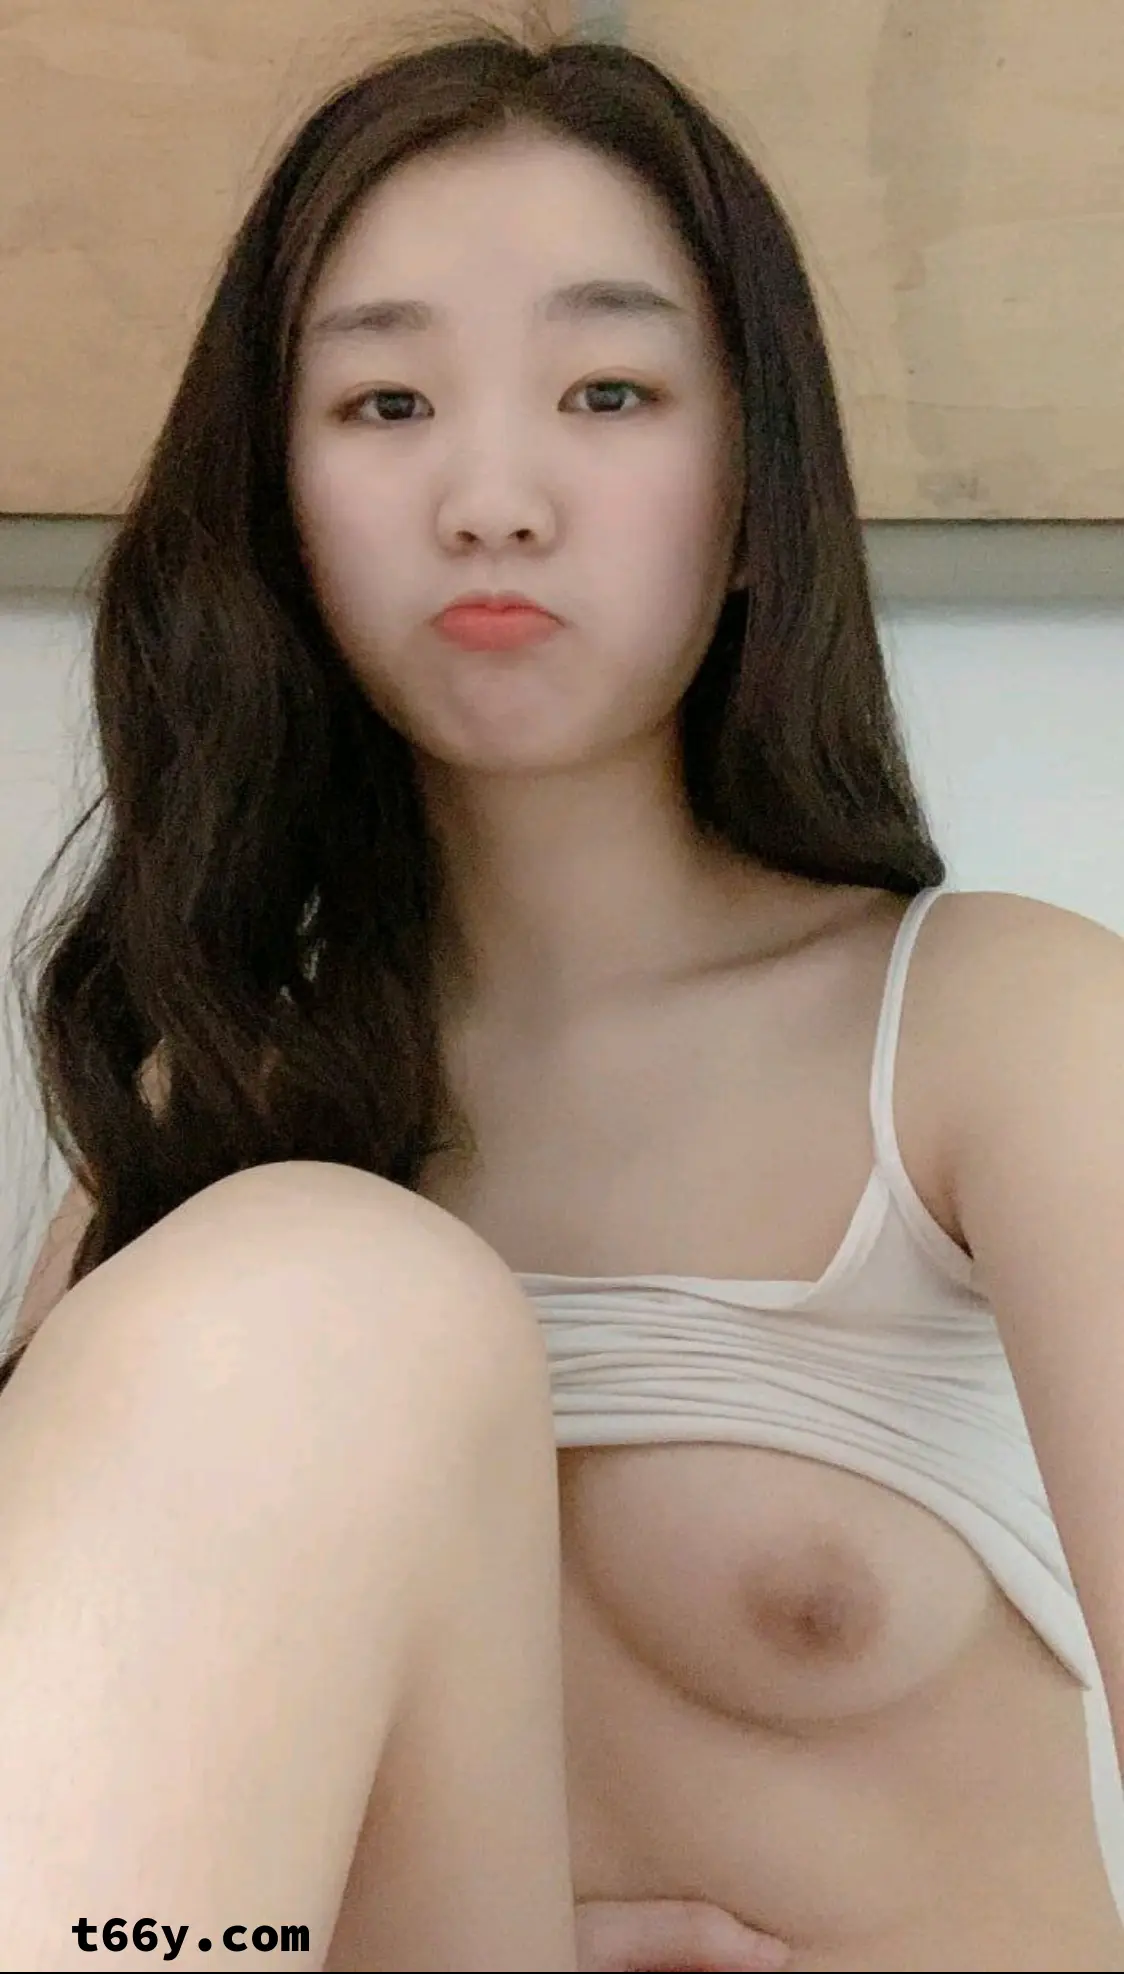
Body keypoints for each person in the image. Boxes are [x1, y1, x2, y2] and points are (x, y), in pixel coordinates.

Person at [2, 19, 1123, 1972]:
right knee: (319, 1275)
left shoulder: (998, 1035)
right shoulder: (213, 1111)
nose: (494, 501)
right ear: (275, 503)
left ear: (756, 483)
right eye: (385, 403)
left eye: (608, 392)